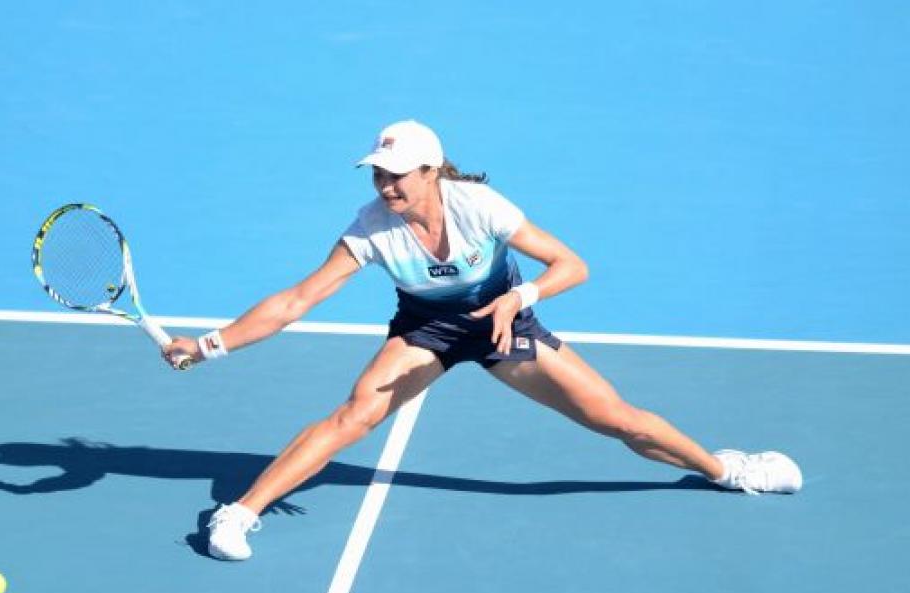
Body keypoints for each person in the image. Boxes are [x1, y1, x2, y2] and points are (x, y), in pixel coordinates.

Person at [162, 120, 802, 562]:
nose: (385, 186)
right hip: (427, 331)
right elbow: (297, 300)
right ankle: (238, 513)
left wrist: (519, 298)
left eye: (396, 175)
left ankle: (728, 470)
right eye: (376, 174)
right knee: (355, 415)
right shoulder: (371, 228)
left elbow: (572, 265)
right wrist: (209, 344)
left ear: (431, 169)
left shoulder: (480, 206)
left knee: (619, 419)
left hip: (506, 324)